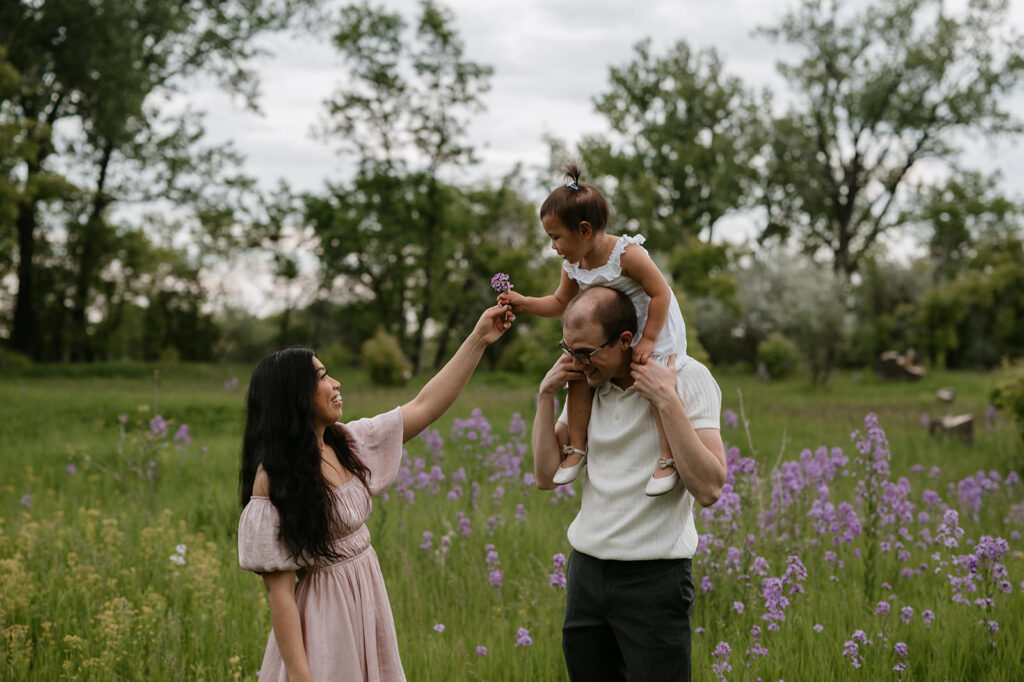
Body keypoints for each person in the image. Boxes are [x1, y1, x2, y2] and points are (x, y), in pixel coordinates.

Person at [237, 303, 513, 682]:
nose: (336, 384)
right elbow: (280, 595)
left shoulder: (346, 443)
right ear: (296, 396)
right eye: (322, 377)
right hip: (326, 618)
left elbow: (425, 405)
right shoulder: (274, 478)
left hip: (367, 600)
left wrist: (479, 337)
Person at [532, 286, 726, 682]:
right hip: (586, 576)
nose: (576, 363)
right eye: (569, 350)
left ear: (625, 341)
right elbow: (546, 476)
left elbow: (709, 489)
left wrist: (667, 401)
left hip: (655, 581)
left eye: (586, 352)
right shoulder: (585, 383)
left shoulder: (687, 377)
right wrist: (545, 397)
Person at [499, 161, 690, 496]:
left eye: (556, 237)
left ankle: (667, 457)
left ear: (585, 230)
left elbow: (661, 293)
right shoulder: (573, 264)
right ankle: (576, 448)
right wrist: (525, 302)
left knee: (653, 378)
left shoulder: (627, 254)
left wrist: (648, 340)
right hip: (610, 329)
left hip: (653, 324)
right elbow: (560, 303)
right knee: (578, 372)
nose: (553, 246)